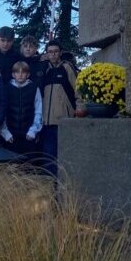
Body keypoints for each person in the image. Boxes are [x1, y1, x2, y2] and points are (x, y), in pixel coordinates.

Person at [39, 40, 85, 176]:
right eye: (50, 52)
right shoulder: (44, 69)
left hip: (63, 120)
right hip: (46, 122)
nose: (53, 55)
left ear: (60, 53)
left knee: (64, 157)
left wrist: (80, 108)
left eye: (55, 51)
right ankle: (50, 190)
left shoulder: (67, 68)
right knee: (48, 158)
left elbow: (78, 90)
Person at [0, 61, 43, 160]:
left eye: (23, 72)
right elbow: (2, 111)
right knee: (12, 165)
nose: (20, 75)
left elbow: (39, 110)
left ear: (28, 74)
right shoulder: (6, 88)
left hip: (28, 133)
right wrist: (5, 132)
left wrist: (33, 130)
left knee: (28, 164)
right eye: (17, 72)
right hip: (10, 134)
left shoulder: (34, 88)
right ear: (13, 74)